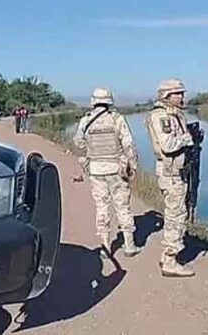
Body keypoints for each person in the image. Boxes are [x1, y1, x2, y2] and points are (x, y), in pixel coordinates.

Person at [74, 87, 141, 259]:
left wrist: (86, 162)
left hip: (96, 170)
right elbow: (129, 145)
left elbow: (78, 143)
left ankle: (105, 247)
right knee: (122, 207)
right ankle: (129, 245)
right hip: (117, 169)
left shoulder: (85, 121)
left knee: (101, 207)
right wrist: (132, 166)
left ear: (93, 101)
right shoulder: (116, 119)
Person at [145, 78, 200, 277]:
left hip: (177, 171)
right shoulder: (162, 116)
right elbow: (168, 145)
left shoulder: (175, 114)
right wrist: (187, 139)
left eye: (182, 93)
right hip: (171, 174)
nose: (182, 97)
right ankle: (170, 260)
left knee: (176, 213)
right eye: (178, 93)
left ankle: (169, 255)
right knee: (176, 216)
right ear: (166, 95)